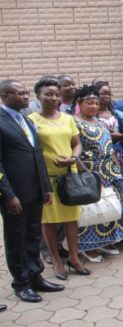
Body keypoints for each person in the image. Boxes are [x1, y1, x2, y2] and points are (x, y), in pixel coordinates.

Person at [0, 79, 64, 304]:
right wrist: (8, 194)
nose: (26, 96)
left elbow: (37, 155)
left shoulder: (26, 120)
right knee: (16, 238)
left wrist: (45, 187)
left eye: (27, 92)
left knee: (33, 235)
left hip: (35, 190)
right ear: (5, 96)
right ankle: (22, 283)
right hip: (14, 195)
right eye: (20, 93)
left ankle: (36, 276)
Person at [28, 80, 90, 280]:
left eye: (56, 94)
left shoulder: (67, 119)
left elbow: (77, 143)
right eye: (48, 94)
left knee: (71, 220)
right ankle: (56, 259)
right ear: (38, 96)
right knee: (49, 221)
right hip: (47, 178)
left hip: (69, 176)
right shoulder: (31, 120)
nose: (53, 98)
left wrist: (74, 157)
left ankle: (74, 257)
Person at [73, 85, 123, 256]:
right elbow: (74, 147)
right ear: (79, 103)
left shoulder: (99, 122)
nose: (94, 106)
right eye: (89, 103)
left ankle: (105, 241)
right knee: (90, 211)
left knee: (107, 209)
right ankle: (87, 247)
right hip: (90, 174)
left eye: (96, 103)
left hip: (109, 171)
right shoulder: (74, 122)